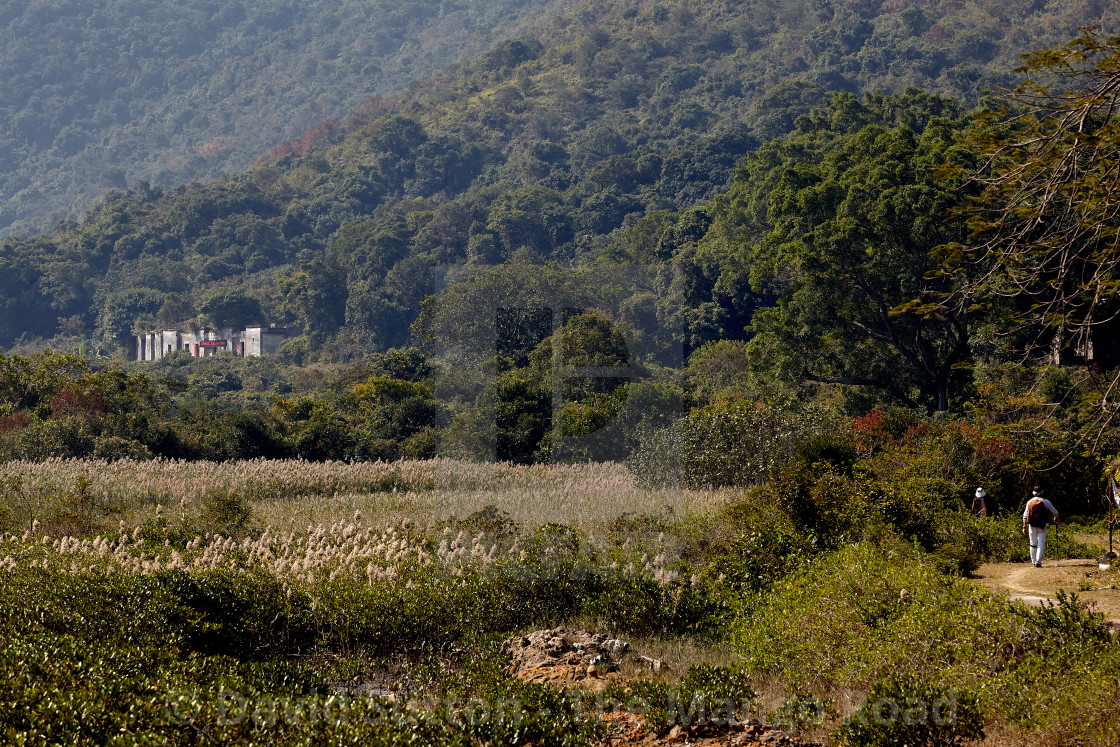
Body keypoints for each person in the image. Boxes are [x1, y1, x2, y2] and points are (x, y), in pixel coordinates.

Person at [1022, 486, 1059, 567]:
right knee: (1041, 544)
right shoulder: (1046, 502)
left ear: (1033, 493)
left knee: (1032, 544)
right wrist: (1055, 517)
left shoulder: (1029, 502)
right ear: (1042, 492)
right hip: (1042, 525)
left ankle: (1033, 562)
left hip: (1031, 526)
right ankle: (1038, 562)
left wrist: (1024, 527)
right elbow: (1055, 512)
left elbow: (1024, 516)